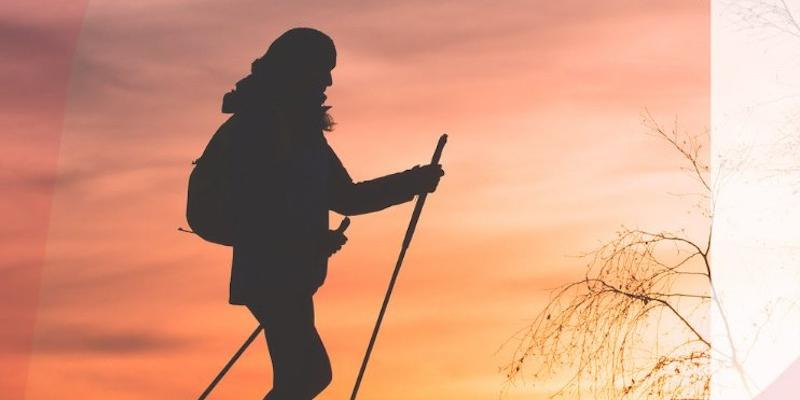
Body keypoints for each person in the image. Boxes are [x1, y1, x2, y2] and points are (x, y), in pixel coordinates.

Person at [219, 28, 444, 400]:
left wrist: (413, 181)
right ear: (295, 71)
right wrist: (307, 239)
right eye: (321, 70)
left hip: (282, 272)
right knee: (307, 377)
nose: (328, 81)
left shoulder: (299, 131)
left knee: (303, 377)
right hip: (272, 272)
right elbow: (261, 206)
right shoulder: (263, 127)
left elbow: (344, 197)